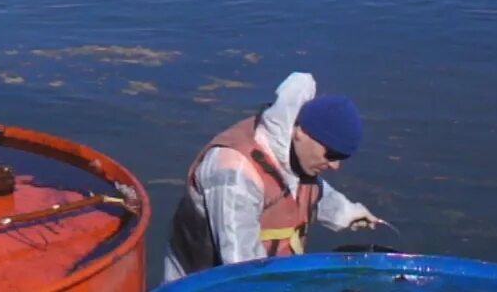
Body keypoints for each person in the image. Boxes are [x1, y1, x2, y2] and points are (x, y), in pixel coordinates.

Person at [163, 72, 383, 283]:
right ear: (301, 133)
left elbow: (306, 190)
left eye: (343, 157)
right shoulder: (234, 173)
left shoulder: (296, 157)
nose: (336, 166)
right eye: (331, 154)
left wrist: (347, 213)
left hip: (273, 278)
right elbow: (242, 267)